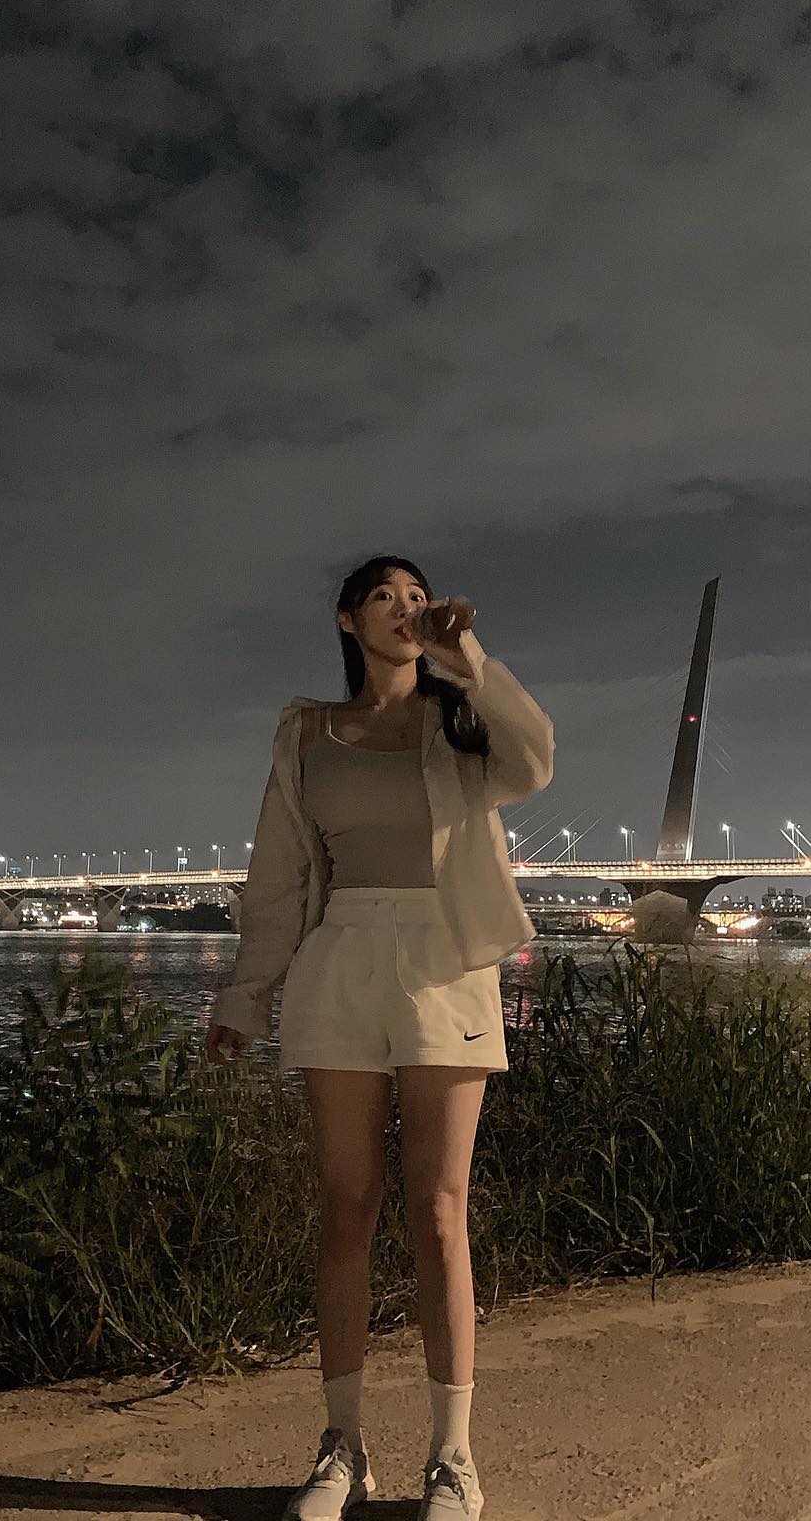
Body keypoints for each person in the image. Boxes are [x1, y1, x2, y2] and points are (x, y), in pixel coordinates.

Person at [205, 554, 555, 1520]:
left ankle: (453, 1457)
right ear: (347, 620)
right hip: (340, 960)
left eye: (416, 597)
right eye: (383, 598)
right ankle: (343, 1448)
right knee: (345, 1206)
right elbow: (278, 876)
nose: (404, 609)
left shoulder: (461, 720)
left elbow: (537, 761)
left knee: (440, 1211)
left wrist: (467, 657)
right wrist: (245, 997)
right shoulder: (307, 733)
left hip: (445, 963)